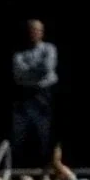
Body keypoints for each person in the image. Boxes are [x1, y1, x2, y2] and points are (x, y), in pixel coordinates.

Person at [12, 20, 59, 166]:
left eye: (37, 30)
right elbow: (18, 72)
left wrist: (29, 72)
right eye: (31, 30)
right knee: (21, 131)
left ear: (42, 32)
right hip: (25, 95)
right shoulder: (19, 53)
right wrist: (36, 72)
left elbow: (47, 68)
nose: (34, 33)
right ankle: (21, 166)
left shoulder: (49, 49)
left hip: (44, 94)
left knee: (44, 132)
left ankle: (45, 165)